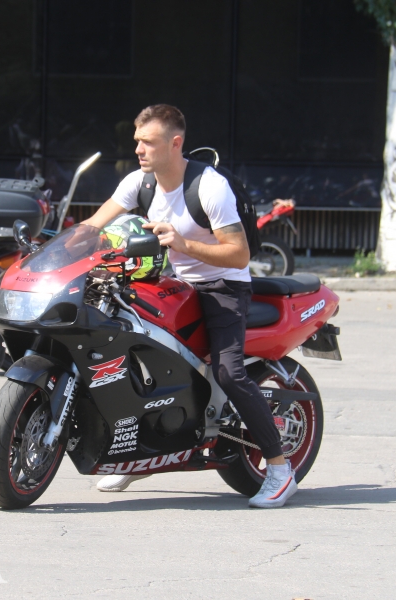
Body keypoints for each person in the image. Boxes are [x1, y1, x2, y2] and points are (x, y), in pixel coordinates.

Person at [82, 104, 296, 508]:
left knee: (229, 372)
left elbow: (238, 255)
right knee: (128, 352)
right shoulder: (139, 182)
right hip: (172, 283)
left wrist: (183, 244)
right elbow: (93, 225)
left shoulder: (209, 187)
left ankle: (280, 469)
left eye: (148, 142)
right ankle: (142, 454)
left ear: (175, 143)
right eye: (137, 141)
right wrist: (53, 250)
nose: (139, 149)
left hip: (224, 286)